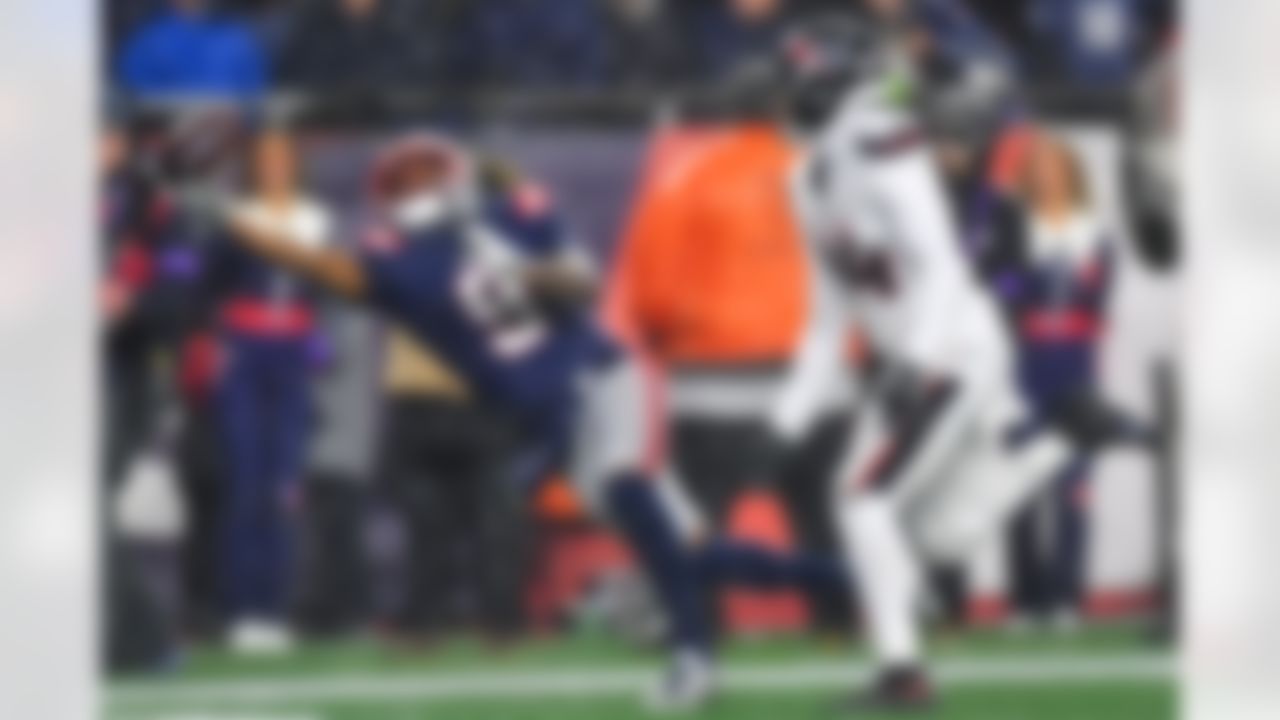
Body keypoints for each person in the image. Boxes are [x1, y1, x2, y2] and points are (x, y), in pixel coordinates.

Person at [206, 132, 849, 710]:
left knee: (628, 487)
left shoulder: (509, 217)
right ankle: (853, 578)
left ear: (454, 178)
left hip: (599, 376)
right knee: (690, 554)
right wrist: (230, 223)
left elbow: (581, 284)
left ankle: (693, 656)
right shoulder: (399, 263)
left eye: (426, 176)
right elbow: (317, 265)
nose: (417, 191)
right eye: (404, 183)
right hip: (551, 417)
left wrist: (530, 260)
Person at [750, 15, 1098, 710]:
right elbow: (827, 321)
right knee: (918, 534)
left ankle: (902, 674)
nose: (782, 103)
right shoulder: (807, 179)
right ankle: (1062, 439)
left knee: (862, 503)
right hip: (920, 354)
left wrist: (912, 362)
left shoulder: (881, 143)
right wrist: (783, 420)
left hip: (949, 347)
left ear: (824, 87)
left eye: (794, 87)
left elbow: (940, 265)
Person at [208, 130, 334, 654]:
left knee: (285, 484)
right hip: (245, 352)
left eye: (285, 159)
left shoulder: (318, 221)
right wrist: (218, 344)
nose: (275, 167)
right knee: (245, 480)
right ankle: (242, 611)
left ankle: (275, 609)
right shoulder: (235, 221)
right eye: (266, 159)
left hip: (293, 356)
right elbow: (210, 287)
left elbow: (327, 291)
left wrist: (319, 339)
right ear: (254, 167)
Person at [988, 134, 1114, 634]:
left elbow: (1098, 302)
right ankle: (1025, 598)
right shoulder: (1012, 232)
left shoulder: (1096, 233)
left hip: (1077, 367)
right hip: (1024, 366)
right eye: (1037, 169)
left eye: (1056, 168)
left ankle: (1067, 596)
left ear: (1073, 175)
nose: (1046, 178)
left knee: (1073, 487)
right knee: (1019, 488)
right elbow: (1001, 289)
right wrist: (1023, 281)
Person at [117, 0, 268, 99]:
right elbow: (135, 104)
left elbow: (256, 103)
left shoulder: (240, 40)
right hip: (167, 141)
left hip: (231, 140)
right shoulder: (148, 42)